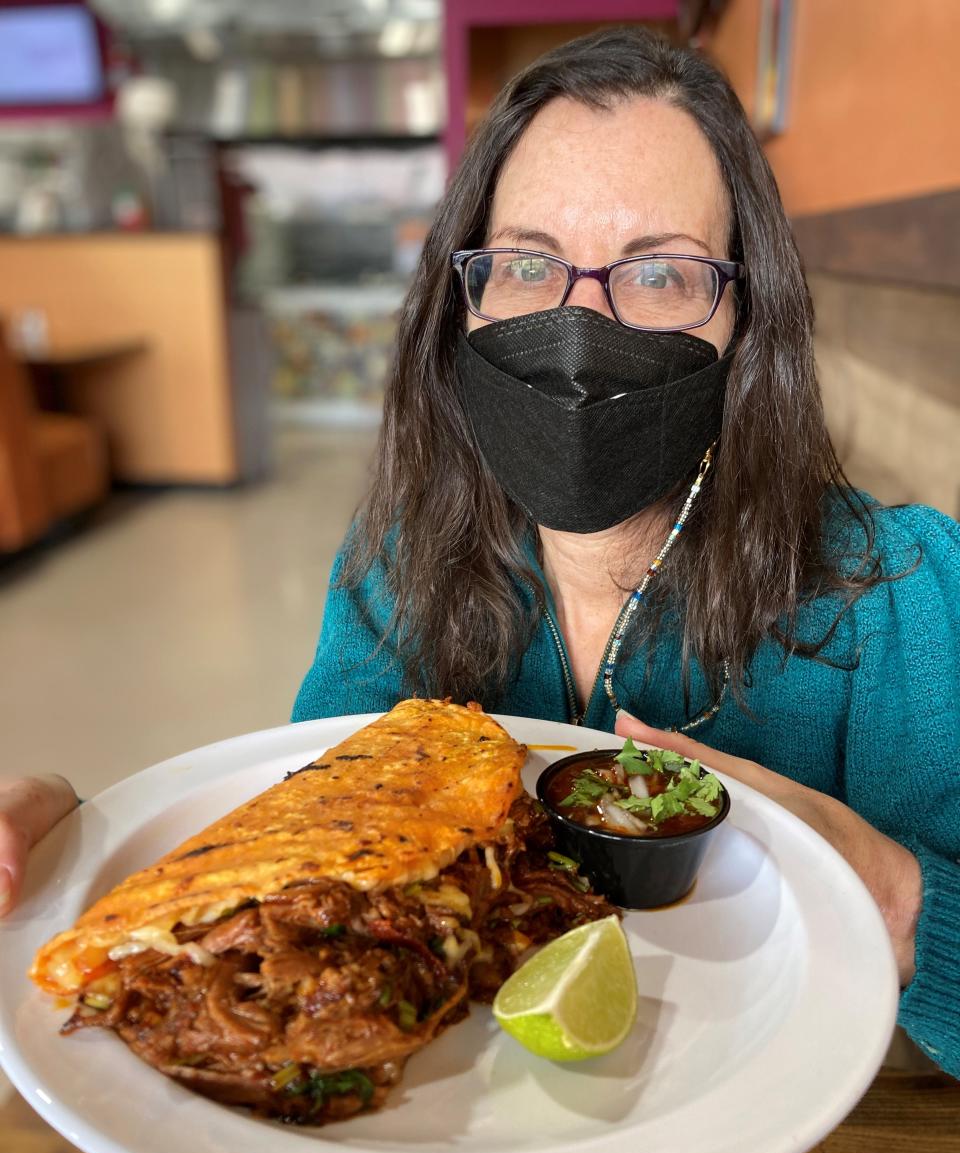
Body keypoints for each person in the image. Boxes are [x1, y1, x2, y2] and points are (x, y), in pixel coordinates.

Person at [2, 29, 958, 1077]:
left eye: (661, 273)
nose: (579, 321)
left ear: (745, 317)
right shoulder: (396, 571)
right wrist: (79, 849)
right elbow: (308, 849)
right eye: (528, 262)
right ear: (467, 297)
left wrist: (910, 905)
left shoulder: (901, 595)